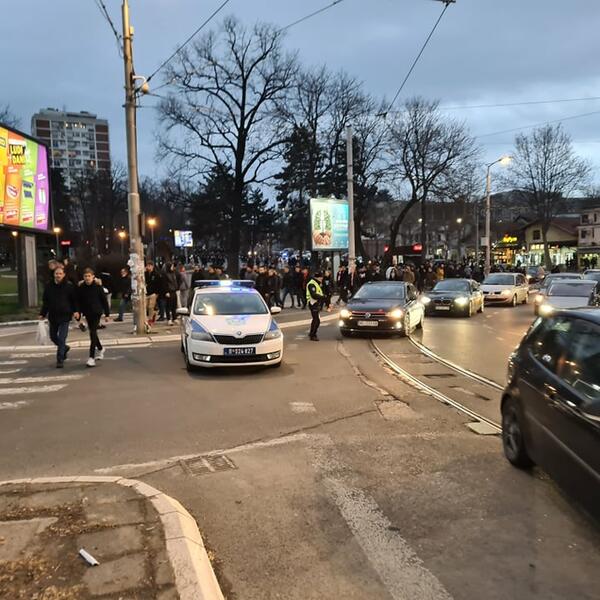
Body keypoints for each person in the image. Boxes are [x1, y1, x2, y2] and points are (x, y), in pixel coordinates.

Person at [39, 265, 79, 369]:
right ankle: (64, 348)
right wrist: (42, 313)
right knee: (53, 337)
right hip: (53, 316)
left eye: (60, 273)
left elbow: (74, 300)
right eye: (56, 273)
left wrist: (76, 311)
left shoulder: (69, 286)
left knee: (62, 337)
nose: (58, 275)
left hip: (65, 315)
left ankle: (60, 359)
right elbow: (46, 302)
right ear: (54, 274)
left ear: (64, 275)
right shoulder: (49, 286)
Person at [77, 267, 110, 368]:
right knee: (93, 332)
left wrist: (107, 314)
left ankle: (91, 357)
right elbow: (79, 301)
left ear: (93, 277)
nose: (87, 278)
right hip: (87, 313)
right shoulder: (81, 288)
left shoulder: (98, 287)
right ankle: (100, 348)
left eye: (89, 276)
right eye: (85, 276)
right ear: (83, 277)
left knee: (92, 333)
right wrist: (79, 314)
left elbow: (104, 301)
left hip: (96, 312)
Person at [306, 272, 325, 341]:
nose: (322, 279)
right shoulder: (312, 284)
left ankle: (311, 333)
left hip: (316, 303)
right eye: (321, 278)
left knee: (315, 319)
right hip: (313, 303)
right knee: (316, 320)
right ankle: (313, 335)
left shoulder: (316, 283)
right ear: (317, 278)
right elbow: (313, 295)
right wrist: (322, 297)